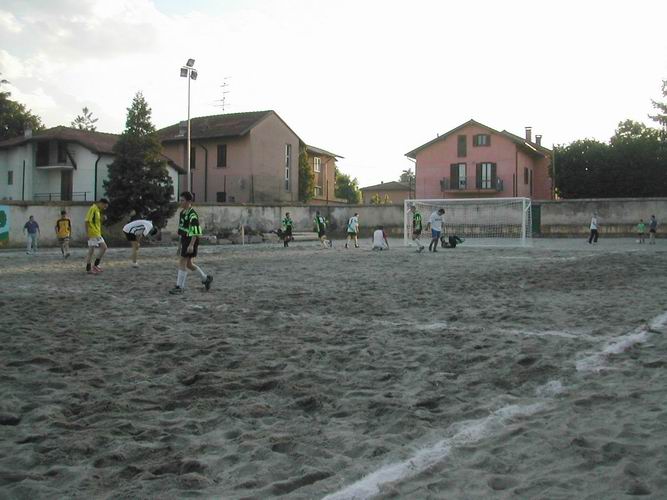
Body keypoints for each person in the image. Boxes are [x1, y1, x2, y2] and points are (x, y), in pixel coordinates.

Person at [170, 191, 213, 294]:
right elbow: (181, 231)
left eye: (182, 200)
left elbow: (196, 232)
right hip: (185, 239)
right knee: (189, 264)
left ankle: (179, 287)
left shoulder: (193, 215)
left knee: (182, 261)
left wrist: (191, 245)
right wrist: (179, 246)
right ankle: (205, 278)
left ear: (189, 201)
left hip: (191, 240)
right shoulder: (182, 213)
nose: (180, 202)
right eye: (180, 200)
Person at [85, 198, 109, 274]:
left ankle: (94, 266)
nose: (104, 208)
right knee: (94, 250)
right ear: (101, 203)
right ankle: (90, 268)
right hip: (93, 233)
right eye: (104, 206)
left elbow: (95, 222)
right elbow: (87, 221)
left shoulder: (98, 210)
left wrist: (102, 219)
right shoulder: (93, 208)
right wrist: (87, 233)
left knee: (101, 248)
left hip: (97, 233)